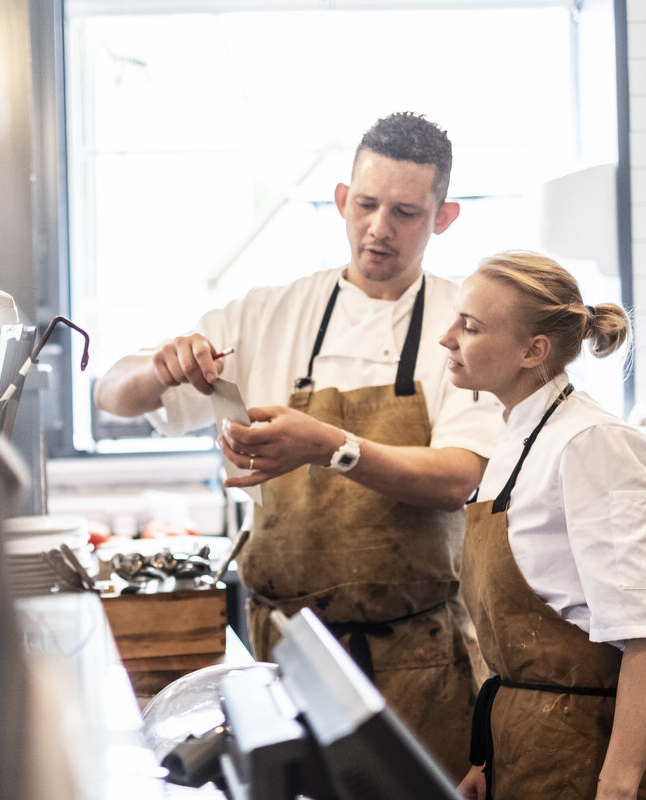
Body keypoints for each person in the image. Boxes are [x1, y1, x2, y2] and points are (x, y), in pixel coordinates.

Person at [93, 111, 504, 779]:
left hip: (422, 662)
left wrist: (331, 446)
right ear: (342, 200)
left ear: (444, 217)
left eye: (404, 212)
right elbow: (112, 397)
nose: (379, 228)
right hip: (285, 661)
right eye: (366, 204)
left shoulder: (464, 326)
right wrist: (159, 364)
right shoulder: (266, 314)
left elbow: (458, 476)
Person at [439, 250, 646, 800]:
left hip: (591, 761)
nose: (446, 337)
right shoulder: (516, 437)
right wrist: (491, 758)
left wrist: (617, 789)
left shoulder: (593, 445)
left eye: (470, 326)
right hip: (527, 753)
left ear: (534, 350)